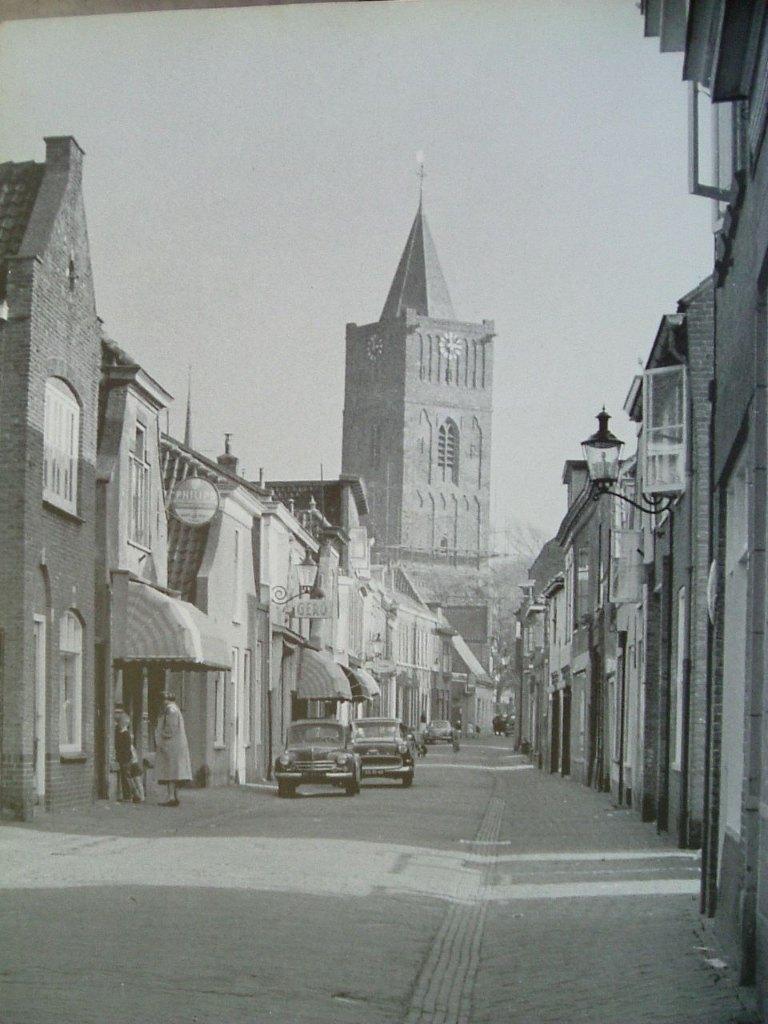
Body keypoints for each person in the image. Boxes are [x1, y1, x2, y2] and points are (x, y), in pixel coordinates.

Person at [154, 691, 192, 807]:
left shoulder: (171, 711)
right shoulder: (175, 709)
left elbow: (170, 729)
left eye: (163, 701)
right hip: (176, 745)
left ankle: (171, 797)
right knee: (175, 772)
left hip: (171, 746)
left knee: (170, 771)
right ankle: (175, 796)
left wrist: (161, 736)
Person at [114, 707, 144, 804]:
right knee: (126, 777)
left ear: (122, 723)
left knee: (127, 778)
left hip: (125, 759)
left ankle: (133, 796)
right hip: (125, 759)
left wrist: (125, 759)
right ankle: (133, 795)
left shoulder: (125, 734)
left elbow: (126, 749)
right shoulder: (122, 733)